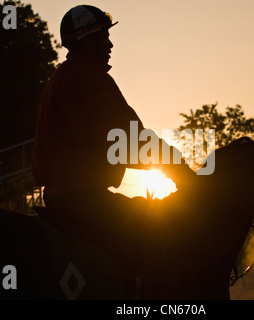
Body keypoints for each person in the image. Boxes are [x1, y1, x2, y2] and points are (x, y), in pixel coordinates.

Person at [32, 5, 194, 298]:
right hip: (84, 199)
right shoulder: (90, 79)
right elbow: (129, 138)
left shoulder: (61, 78)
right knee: (160, 234)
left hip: (61, 198)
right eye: (104, 37)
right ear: (88, 41)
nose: (110, 44)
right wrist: (178, 167)